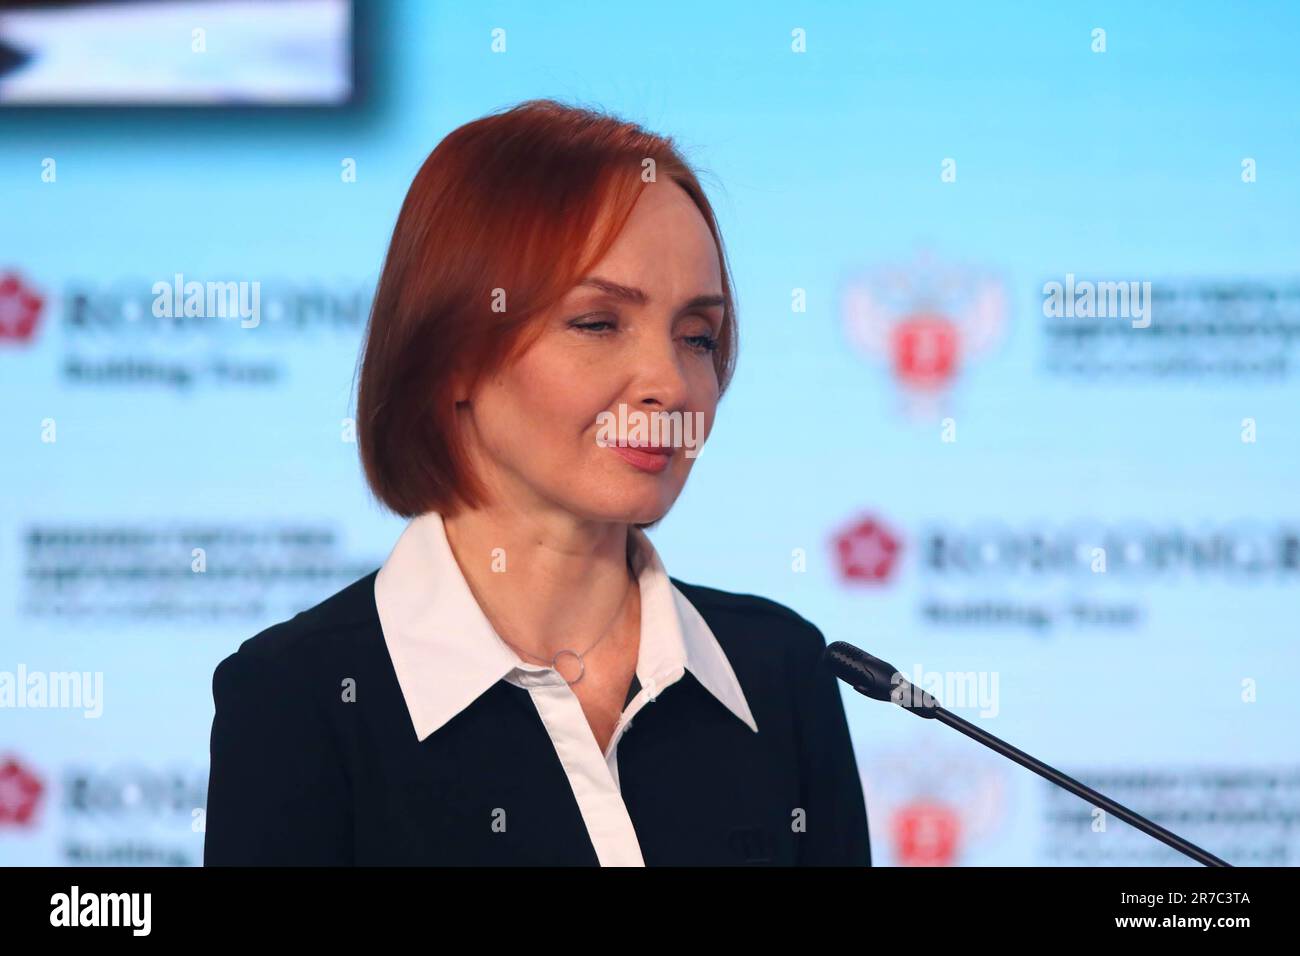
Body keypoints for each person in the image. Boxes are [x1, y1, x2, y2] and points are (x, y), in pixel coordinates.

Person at [203, 98, 871, 866]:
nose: (670, 383)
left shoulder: (782, 669)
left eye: (697, 337)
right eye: (597, 323)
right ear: (452, 354)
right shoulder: (299, 698)